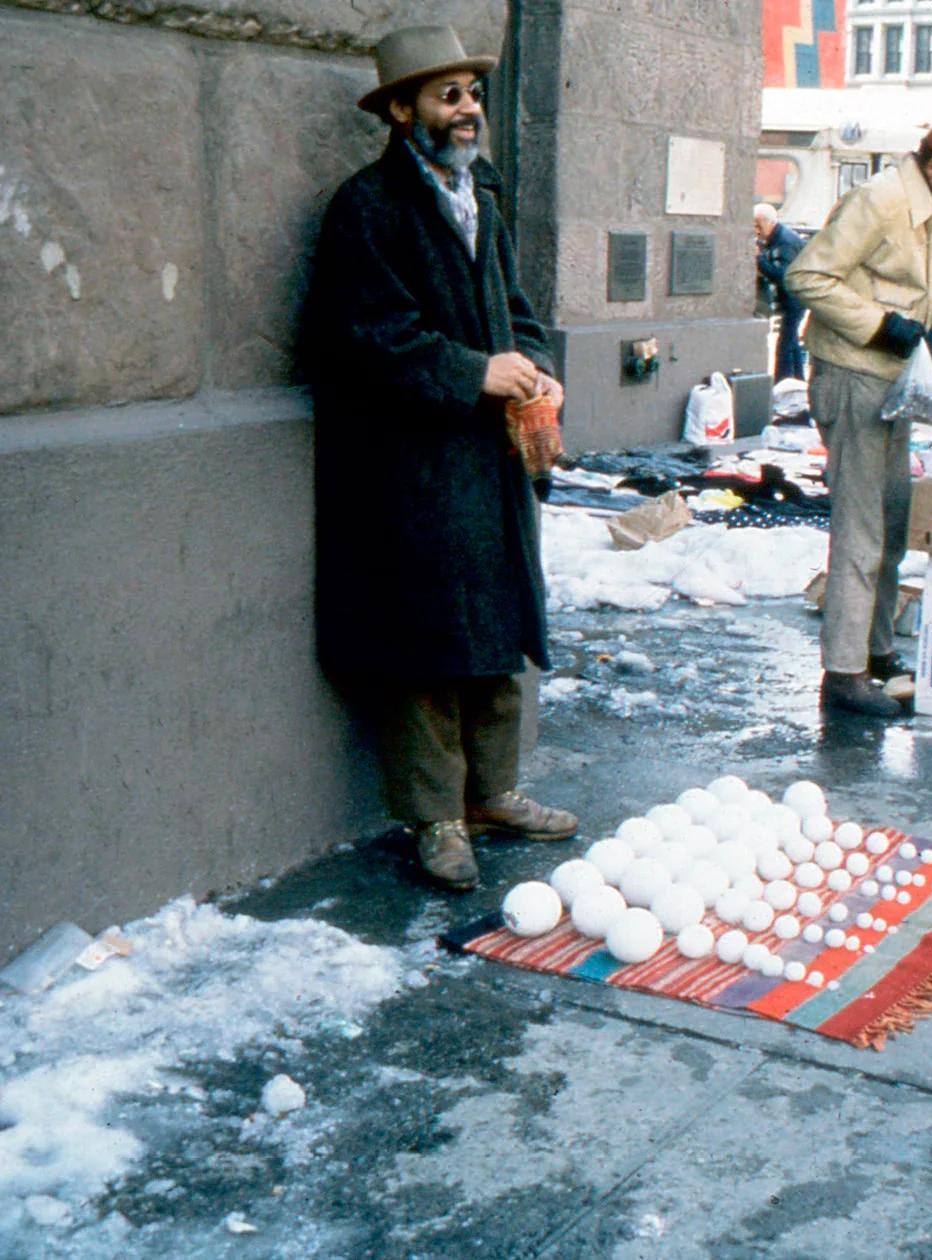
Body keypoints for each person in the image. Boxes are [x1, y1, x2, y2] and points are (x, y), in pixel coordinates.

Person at [304, 25, 579, 891]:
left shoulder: (479, 191)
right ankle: (436, 818)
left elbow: (515, 306)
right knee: (426, 639)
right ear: (400, 109)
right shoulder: (367, 206)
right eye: (447, 95)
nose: (468, 111)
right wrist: (472, 372)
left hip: (488, 452)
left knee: (495, 624)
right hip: (410, 462)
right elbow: (363, 335)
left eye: (473, 94)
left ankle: (493, 791)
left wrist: (536, 366)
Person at [786, 113, 932, 717]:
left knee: (891, 520)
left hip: (889, 382)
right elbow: (806, 275)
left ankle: (874, 651)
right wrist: (879, 326)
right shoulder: (879, 200)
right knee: (861, 529)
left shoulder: (927, 208)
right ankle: (843, 671)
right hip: (853, 376)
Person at [754, 203, 807, 382]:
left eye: (759, 225)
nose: (756, 231)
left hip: (796, 297)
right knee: (791, 341)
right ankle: (798, 380)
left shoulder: (785, 242)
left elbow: (782, 276)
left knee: (785, 343)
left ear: (771, 223)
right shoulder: (776, 238)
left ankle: (781, 382)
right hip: (793, 296)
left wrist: (759, 259)